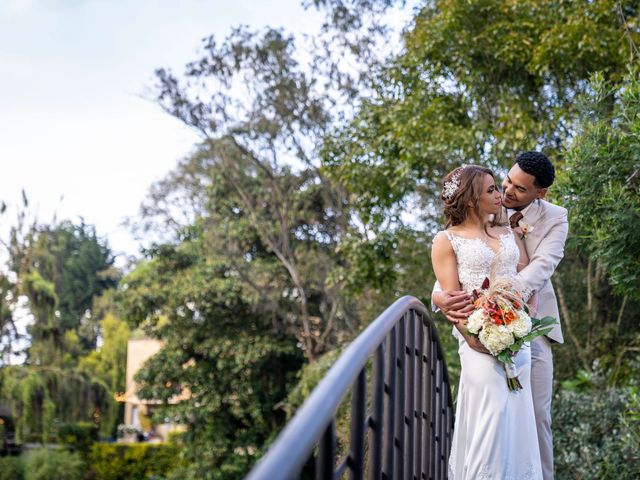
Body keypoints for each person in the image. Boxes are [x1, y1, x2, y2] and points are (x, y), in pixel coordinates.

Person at [433, 151, 568, 480]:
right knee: (492, 412)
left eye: (518, 189)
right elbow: (458, 268)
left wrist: (504, 305)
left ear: (539, 193)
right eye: (505, 182)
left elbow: (539, 268)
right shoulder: (477, 219)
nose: (507, 192)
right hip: (480, 327)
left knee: (535, 417)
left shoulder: (554, 217)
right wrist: (438, 296)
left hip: (530, 324)